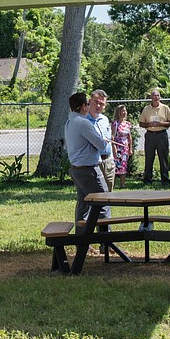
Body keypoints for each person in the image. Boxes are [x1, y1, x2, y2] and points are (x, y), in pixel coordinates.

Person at [64, 92, 110, 232]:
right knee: (104, 202)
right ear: (84, 106)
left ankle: (81, 241)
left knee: (83, 205)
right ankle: (106, 242)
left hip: (77, 169)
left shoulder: (69, 122)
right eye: (88, 104)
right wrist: (103, 141)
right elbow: (101, 146)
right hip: (89, 170)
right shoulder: (83, 123)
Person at [139, 88, 170, 184]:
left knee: (163, 158)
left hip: (162, 134)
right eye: (154, 96)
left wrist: (161, 124)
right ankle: (147, 179)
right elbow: (141, 123)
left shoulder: (165, 108)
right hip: (150, 135)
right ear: (151, 97)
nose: (156, 97)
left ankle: (165, 180)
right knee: (149, 158)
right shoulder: (146, 109)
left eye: (158, 95)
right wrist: (149, 124)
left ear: (160, 97)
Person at [87, 89, 116, 192]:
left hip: (108, 161)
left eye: (102, 104)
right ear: (89, 101)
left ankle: (107, 208)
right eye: (96, 102)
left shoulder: (104, 119)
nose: (98, 106)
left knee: (109, 193)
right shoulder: (83, 121)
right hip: (93, 162)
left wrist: (112, 158)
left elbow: (109, 139)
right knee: (95, 194)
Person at [111, 104, 133, 189]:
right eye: (122, 111)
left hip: (125, 148)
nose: (124, 112)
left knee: (123, 165)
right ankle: (112, 184)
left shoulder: (127, 124)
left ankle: (123, 184)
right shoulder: (115, 123)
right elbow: (112, 136)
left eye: (125, 110)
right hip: (117, 146)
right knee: (115, 166)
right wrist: (114, 148)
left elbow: (129, 137)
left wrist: (130, 148)